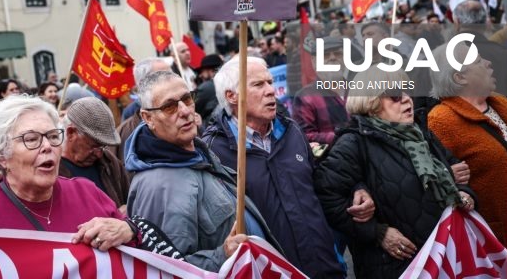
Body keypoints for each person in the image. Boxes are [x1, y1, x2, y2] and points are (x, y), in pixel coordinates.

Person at [314, 67, 476, 279]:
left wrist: (464, 193)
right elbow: (326, 196)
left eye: (408, 90)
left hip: (445, 256)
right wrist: (377, 232)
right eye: (395, 95)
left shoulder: (419, 131)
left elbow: (453, 169)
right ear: (371, 102)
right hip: (395, 267)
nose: (407, 99)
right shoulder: (353, 142)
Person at [204, 57, 346, 278]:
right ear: (232, 96)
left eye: (270, 82)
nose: (271, 90)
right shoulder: (214, 150)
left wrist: (357, 188)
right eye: (258, 84)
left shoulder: (291, 130)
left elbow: (319, 188)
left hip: (324, 266)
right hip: (273, 271)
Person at [125, 71, 276, 272]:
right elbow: (167, 269)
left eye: (187, 99)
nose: (185, 111)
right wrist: (223, 255)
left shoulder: (196, 153)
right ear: (148, 118)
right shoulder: (159, 186)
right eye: (169, 107)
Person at [0, 96, 139, 250]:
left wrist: (128, 230)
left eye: (53, 136)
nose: (47, 146)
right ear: (2, 155)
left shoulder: (88, 193)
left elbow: (142, 249)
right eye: (31, 139)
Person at [428, 41, 507, 245]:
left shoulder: (501, 103)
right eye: (478, 60)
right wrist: (447, 175)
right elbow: (436, 180)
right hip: (497, 239)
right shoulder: (441, 120)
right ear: (460, 77)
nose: (488, 63)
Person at [60, 97, 129, 209]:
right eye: (94, 146)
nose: (99, 154)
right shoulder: (50, 170)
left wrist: (127, 210)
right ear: (71, 133)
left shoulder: (110, 162)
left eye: (103, 146)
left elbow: (130, 200)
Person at [292, 36, 350, 148]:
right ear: (314, 61)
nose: (332, 58)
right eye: (325, 55)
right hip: (331, 157)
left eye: (338, 54)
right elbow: (304, 136)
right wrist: (342, 137)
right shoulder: (305, 97)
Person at [114, 57, 171, 162]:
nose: (172, 80)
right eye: (163, 76)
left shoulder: (182, 105)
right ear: (143, 83)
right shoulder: (131, 114)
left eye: (171, 74)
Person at [194, 53, 223, 127]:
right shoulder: (228, 83)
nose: (200, 75)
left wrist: (194, 89)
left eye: (202, 71)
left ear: (210, 71)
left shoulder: (205, 88)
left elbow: (191, 105)